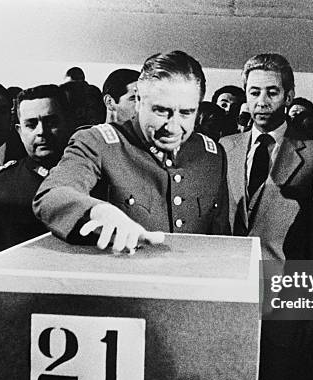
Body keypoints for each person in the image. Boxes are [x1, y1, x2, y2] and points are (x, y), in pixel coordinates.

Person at [33, 50, 231, 252]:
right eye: (161, 111)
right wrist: (97, 211)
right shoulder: (98, 142)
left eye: (186, 113)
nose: (172, 127)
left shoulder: (212, 154)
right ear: (138, 101)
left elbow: (222, 239)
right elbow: (52, 194)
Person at [220, 53, 313, 260]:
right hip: (230, 272)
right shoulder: (225, 147)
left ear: (288, 97)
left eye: (272, 93)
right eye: (254, 93)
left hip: (283, 279)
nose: (262, 102)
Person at [0, 85, 71, 258]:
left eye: (51, 122)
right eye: (31, 124)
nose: (42, 132)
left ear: (67, 123)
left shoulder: (96, 176)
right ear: (19, 131)